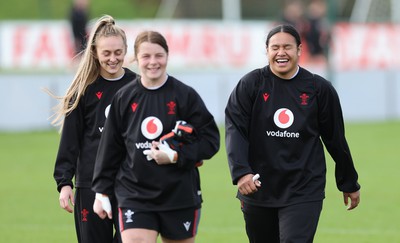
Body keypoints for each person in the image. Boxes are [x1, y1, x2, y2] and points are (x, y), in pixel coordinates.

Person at [224, 24, 361, 243]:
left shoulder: (319, 89)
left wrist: (348, 182)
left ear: (299, 50)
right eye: (275, 47)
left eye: (287, 47)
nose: (281, 53)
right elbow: (235, 130)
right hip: (258, 187)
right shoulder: (251, 85)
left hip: (304, 188)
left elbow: (335, 138)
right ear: (267, 51)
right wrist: (241, 172)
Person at [91, 30, 220, 243]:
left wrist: (177, 156)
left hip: (179, 196)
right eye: (146, 56)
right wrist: (101, 193)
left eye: (158, 55)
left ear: (167, 56)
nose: (153, 62)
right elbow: (110, 148)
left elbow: (210, 140)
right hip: (134, 195)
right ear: (136, 59)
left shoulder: (185, 96)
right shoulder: (124, 97)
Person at [52, 15, 137, 243]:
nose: (112, 58)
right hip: (90, 184)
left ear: (126, 50)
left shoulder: (139, 87)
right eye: (106, 53)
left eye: (118, 52)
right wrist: (64, 183)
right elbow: (70, 140)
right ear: (95, 53)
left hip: (132, 185)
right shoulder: (83, 90)